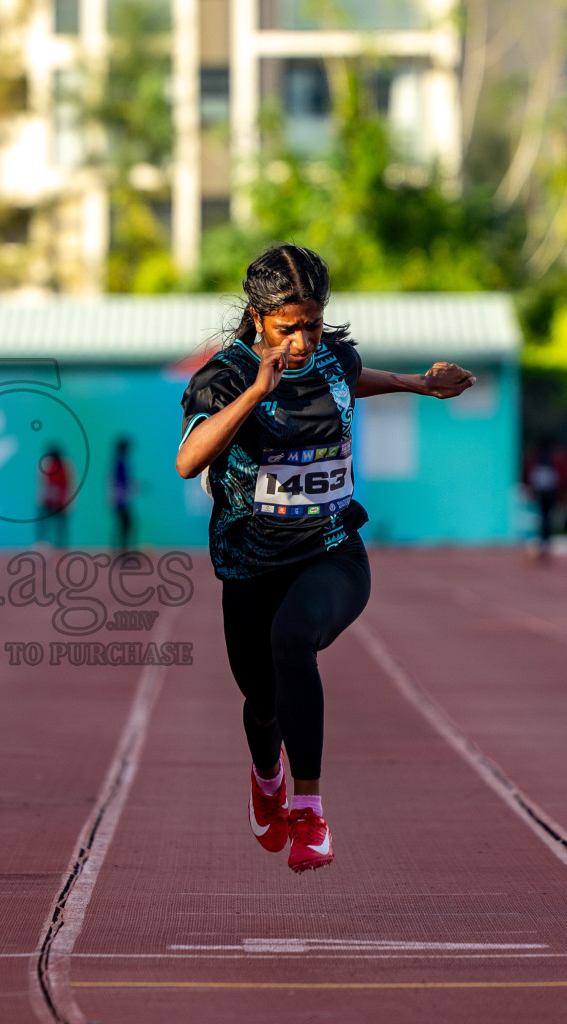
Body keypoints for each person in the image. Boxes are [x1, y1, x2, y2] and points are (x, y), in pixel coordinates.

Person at [176, 244, 475, 874]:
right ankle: (267, 777)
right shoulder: (224, 376)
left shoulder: (332, 356)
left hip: (333, 550)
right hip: (250, 564)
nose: (303, 341)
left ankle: (310, 814)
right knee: (261, 702)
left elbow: (348, 378)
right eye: (289, 328)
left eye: (312, 324)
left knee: (294, 642)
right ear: (259, 319)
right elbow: (188, 459)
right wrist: (259, 390)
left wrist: (415, 383)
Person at [36, 444, 71, 549]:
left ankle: (59, 547)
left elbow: (67, 485)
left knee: (59, 527)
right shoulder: (48, 465)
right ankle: (43, 545)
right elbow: (44, 484)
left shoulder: (63, 466)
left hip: (59, 502)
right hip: (48, 502)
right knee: (45, 526)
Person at [111, 437, 133, 552]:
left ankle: (121, 550)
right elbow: (119, 482)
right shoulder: (120, 463)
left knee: (123, 525)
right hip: (121, 500)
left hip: (121, 499)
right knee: (125, 525)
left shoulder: (120, 461)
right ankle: (121, 551)